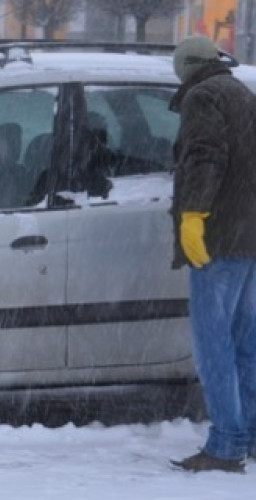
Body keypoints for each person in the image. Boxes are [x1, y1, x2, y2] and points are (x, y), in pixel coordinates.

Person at [168, 36, 256, 473]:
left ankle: (225, 445)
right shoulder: (242, 92)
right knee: (245, 341)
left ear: (187, 67)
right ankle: (250, 433)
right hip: (249, 237)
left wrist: (193, 215)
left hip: (217, 237)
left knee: (214, 346)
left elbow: (205, 157)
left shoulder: (202, 96)